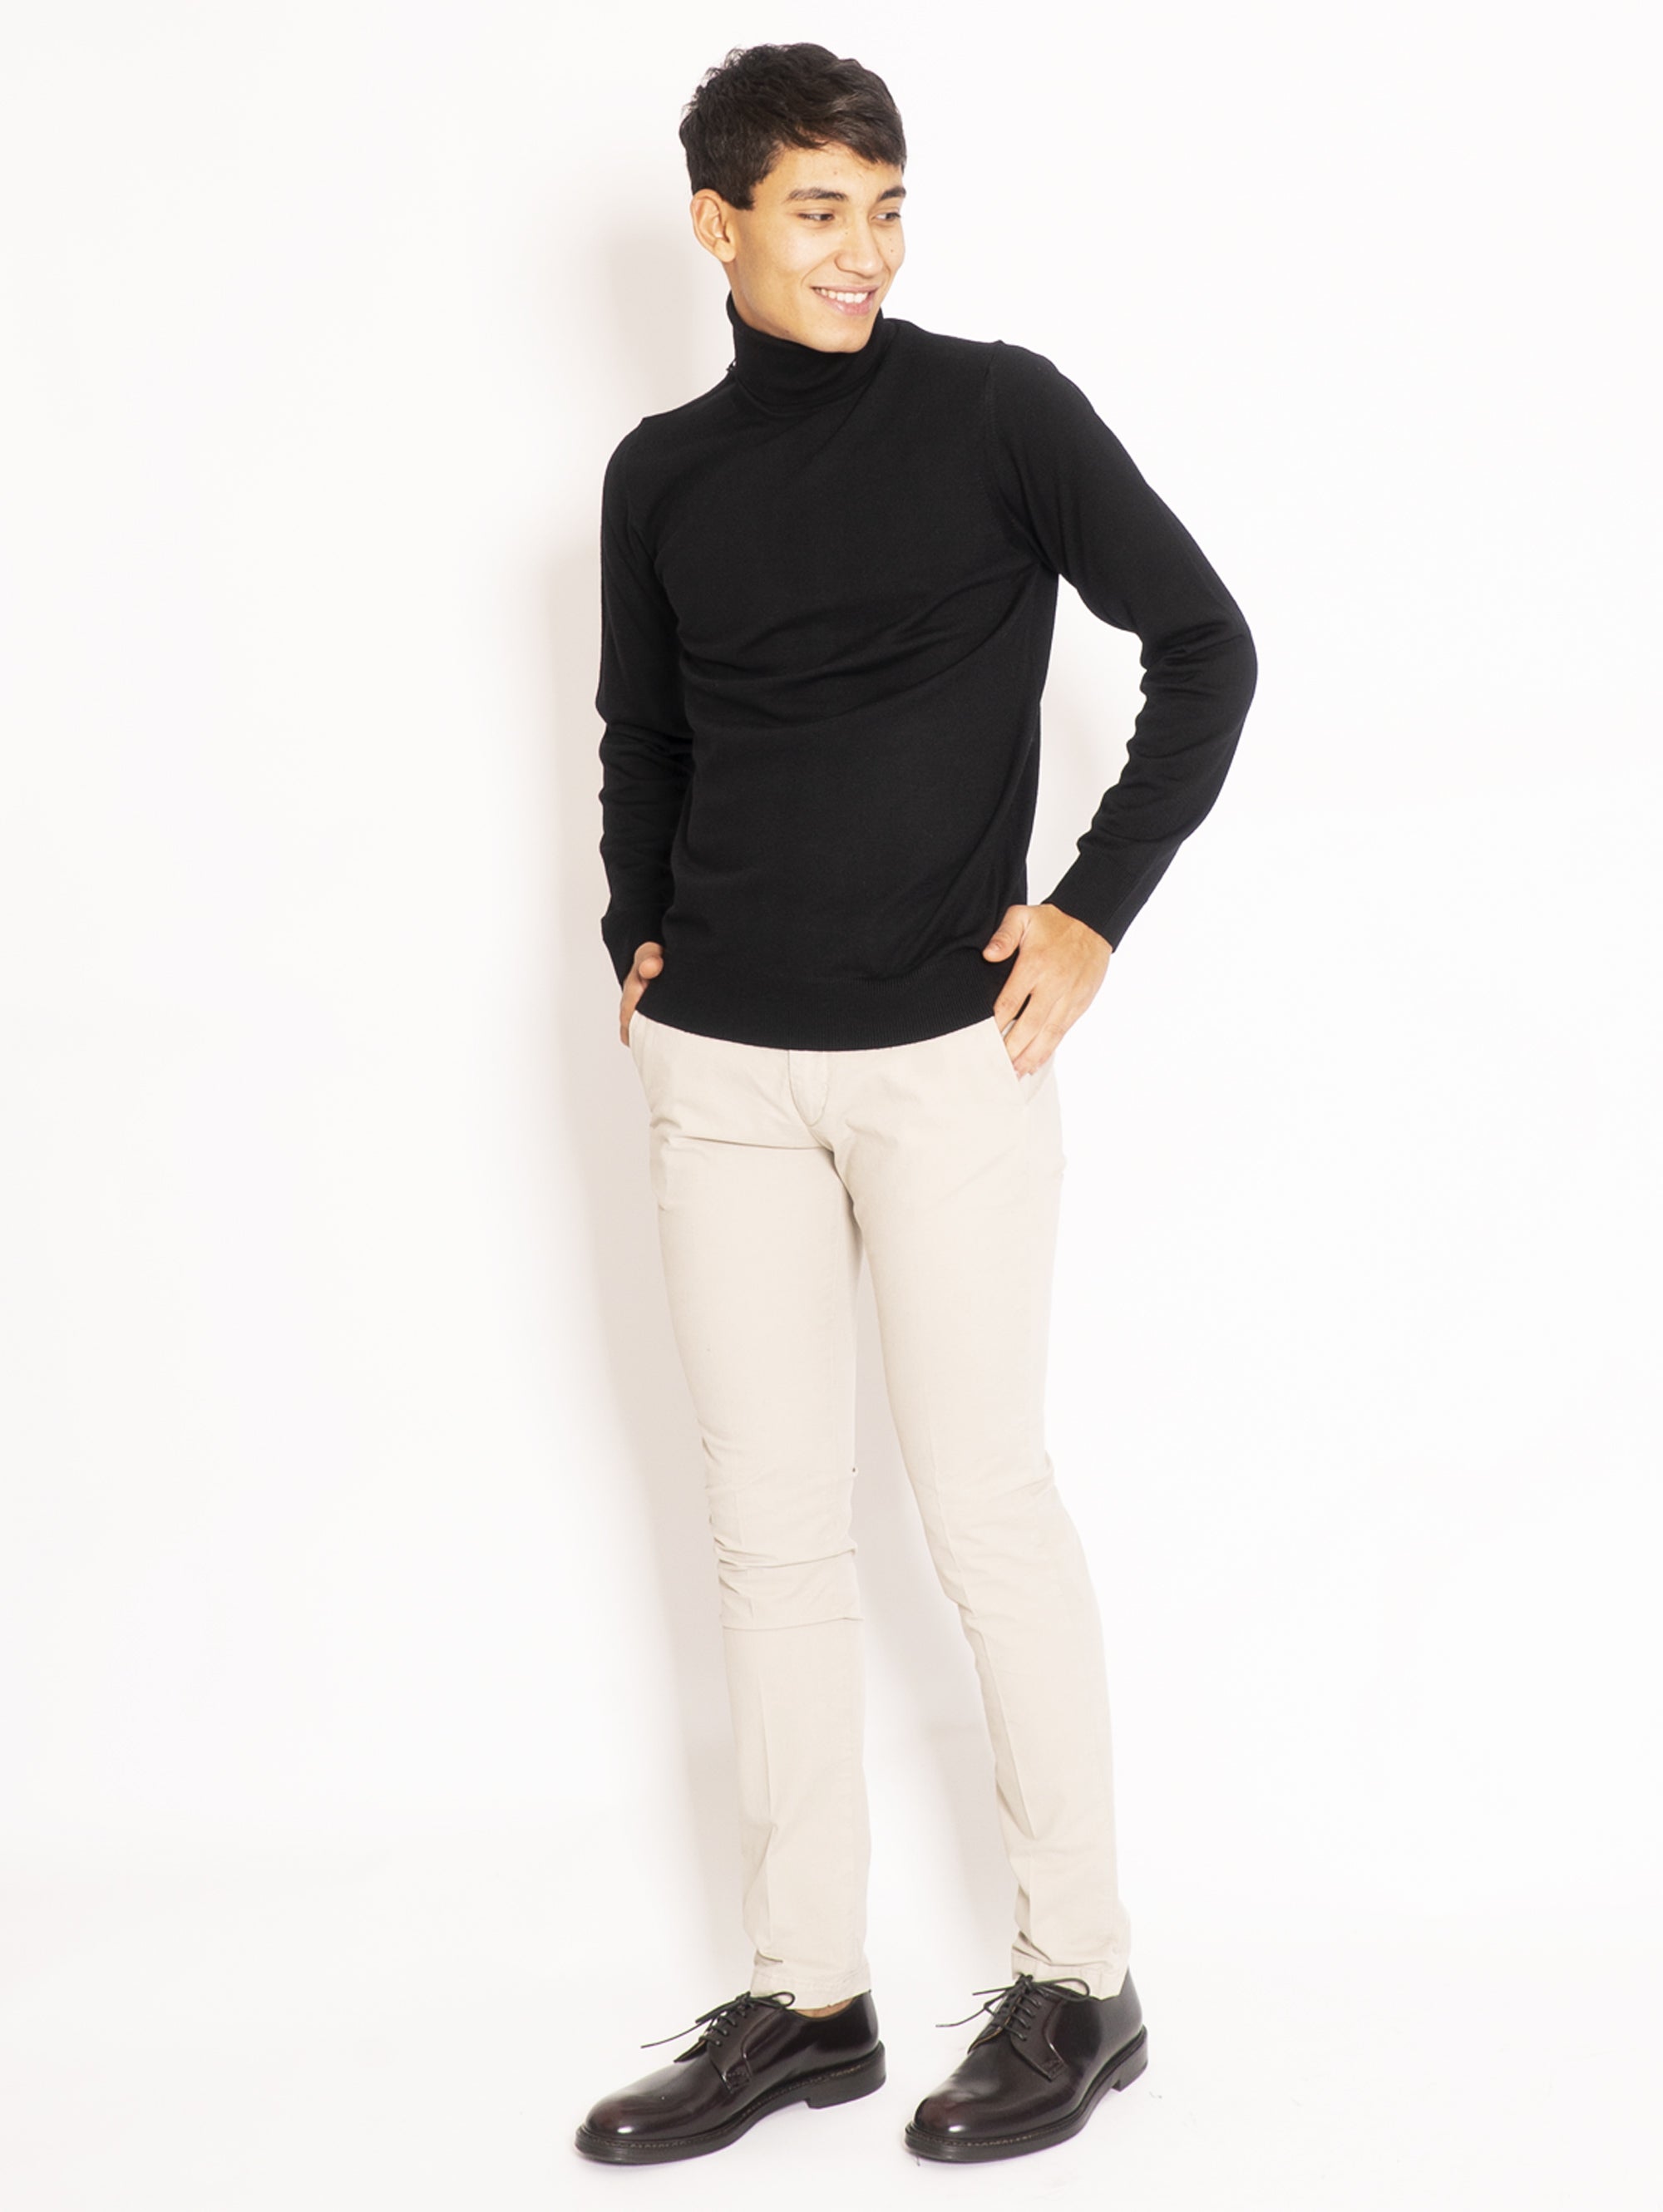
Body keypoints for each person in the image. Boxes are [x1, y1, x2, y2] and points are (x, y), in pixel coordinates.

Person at [575, 41, 1257, 2167]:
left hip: (949, 1064)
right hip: (722, 1074)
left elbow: (1206, 645)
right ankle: (807, 2000)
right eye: (817, 210)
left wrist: (1092, 911)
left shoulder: (996, 413)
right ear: (718, 223)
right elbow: (643, 731)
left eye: (883, 207)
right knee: (771, 1535)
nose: (862, 248)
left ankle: (1080, 1974)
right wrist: (634, 930)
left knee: (979, 1506)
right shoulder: (657, 475)